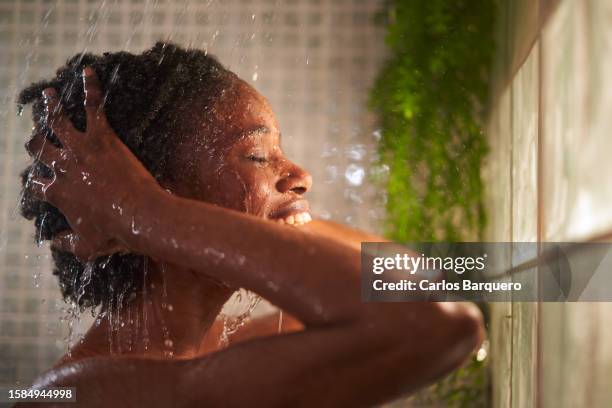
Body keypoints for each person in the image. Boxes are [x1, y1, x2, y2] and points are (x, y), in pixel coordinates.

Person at [18, 42, 483, 407]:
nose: (302, 176)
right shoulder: (74, 397)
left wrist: (143, 213)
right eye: (258, 155)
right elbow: (432, 323)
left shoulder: (215, 346)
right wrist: (145, 213)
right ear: (161, 194)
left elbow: (417, 279)